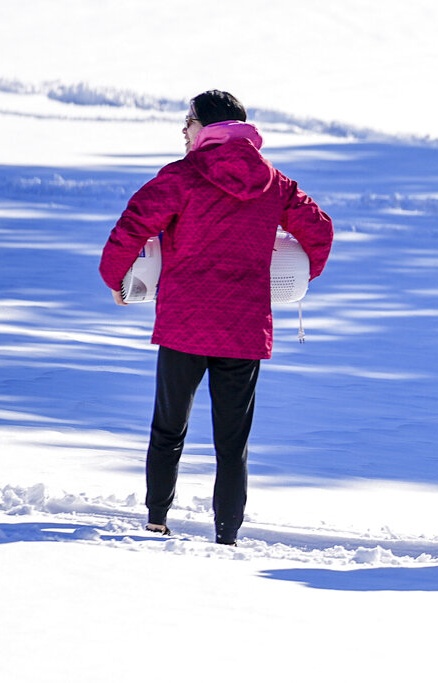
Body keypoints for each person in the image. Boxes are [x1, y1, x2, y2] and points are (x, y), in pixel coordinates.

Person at [99, 90, 333, 545]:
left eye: (187, 122)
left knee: (169, 427)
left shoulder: (183, 175)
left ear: (205, 126)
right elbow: (319, 231)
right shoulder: (274, 182)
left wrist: (114, 277)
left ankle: (156, 520)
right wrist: (302, 277)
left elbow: (134, 223)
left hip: (184, 322)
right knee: (232, 441)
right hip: (243, 328)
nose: (183, 131)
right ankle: (227, 535)